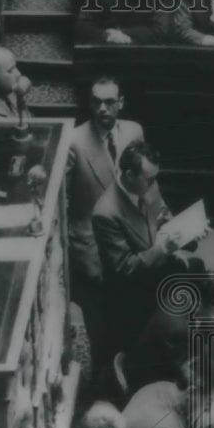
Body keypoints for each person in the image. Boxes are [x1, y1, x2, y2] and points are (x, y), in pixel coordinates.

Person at [92, 141, 205, 361]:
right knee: (173, 327)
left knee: (198, 268)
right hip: (133, 288)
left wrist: (187, 230)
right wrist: (163, 248)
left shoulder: (148, 184)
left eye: (155, 178)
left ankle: (192, 335)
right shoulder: (105, 213)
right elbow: (126, 268)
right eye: (149, 179)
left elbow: (162, 212)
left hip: (156, 263)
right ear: (129, 175)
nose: (154, 184)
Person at [65, 77, 145, 376]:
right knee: (99, 322)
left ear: (120, 103)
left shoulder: (134, 131)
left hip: (129, 240)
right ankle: (102, 378)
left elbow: (144, 183)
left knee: (130, 310)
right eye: (96, 101)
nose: (102, 108)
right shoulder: (74, 140)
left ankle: (128, 367)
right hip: (91, 246)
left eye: (109, 102)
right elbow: (63, 198)